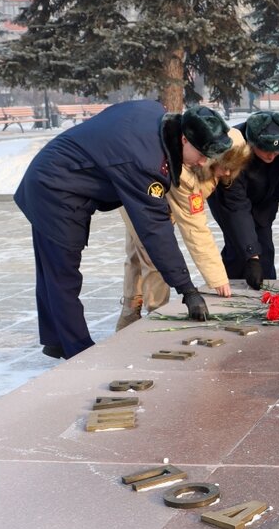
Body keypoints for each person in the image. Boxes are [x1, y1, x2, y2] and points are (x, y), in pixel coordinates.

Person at [15, 101, 230, 359]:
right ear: (184, 139)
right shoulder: (146, 161)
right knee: (63, 274)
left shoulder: (156, 111)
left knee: (51, 268)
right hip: (56, 190)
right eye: (202, 154)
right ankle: (79, 353)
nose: (202, 162)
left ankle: (55, 340)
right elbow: (155, 230)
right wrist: (187, 290)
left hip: (56, 172)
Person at [116, 129, 252, 329]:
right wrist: (218, 279)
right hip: (140, 198)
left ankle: (129, 316)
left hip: (159, 203)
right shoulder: (186, 171)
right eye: (224, 167)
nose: (228, 174)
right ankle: (157, 316)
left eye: (234, 168)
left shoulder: (213, 163)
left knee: (138, 254)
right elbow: (195, 229)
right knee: (154, 255)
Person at [208, 110, 279, 290]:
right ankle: (229, 288)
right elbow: (237, 206)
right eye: (266, 150)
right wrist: (252, 256)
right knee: (239, 245)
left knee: (264, 243)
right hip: (230, 199)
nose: (272, 156)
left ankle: (268, 288)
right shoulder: (234, 148)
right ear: (252, 142)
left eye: (277, 151)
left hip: (265, 196)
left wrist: (269, 209)